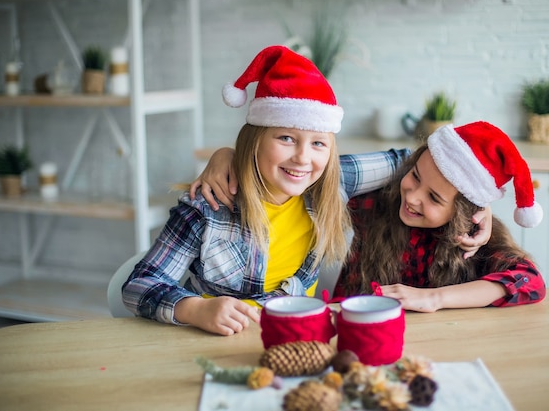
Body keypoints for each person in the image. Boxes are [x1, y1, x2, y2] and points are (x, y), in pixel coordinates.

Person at [122, 45, 412, 336]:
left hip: (294, 337)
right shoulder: (208, 206)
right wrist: (195, 309)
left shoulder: (330, 182)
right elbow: (139, 285)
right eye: (286, 138)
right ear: (256, 141)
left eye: (318, 143)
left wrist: (459, 209)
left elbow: (412, 161)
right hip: (213, 339)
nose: (303, 158)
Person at [191, 121, 545, 312]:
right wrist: (230, 156)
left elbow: (528, 281)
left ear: (464, 214)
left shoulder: (471, 239)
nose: (413, 195)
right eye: (415, 176)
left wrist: (434, 298)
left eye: (434, 198)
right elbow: (308, 175)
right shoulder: (375, 203)